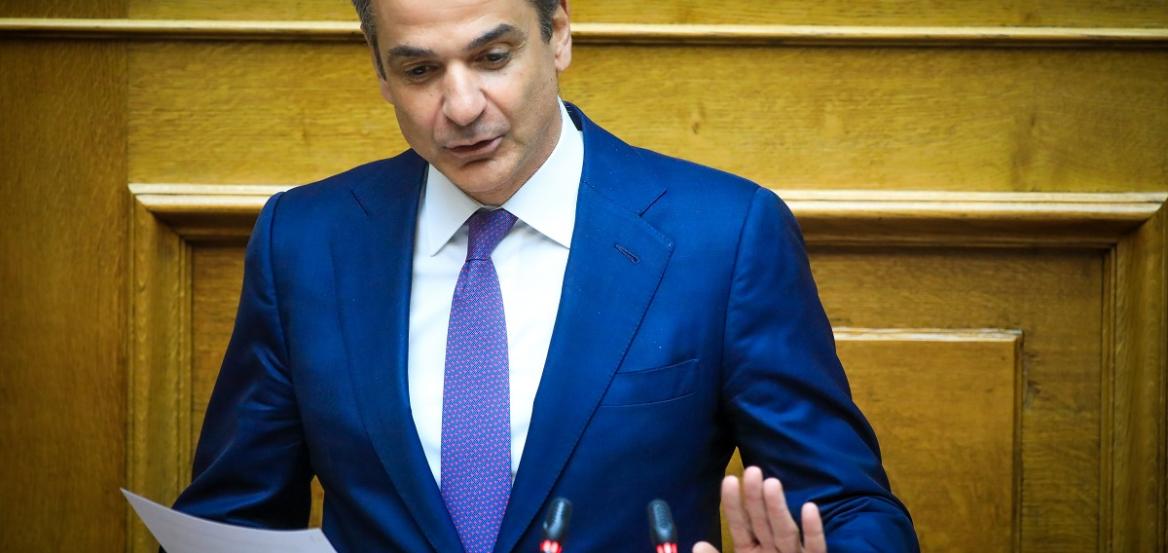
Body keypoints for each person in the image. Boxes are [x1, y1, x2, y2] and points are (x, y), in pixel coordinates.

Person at [171, 0, 919, 552]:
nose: (461, 106)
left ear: (558, 33)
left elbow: (852, 511)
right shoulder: (304, 241)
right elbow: (232, 521)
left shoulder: (723, 236)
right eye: (420, 70)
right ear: (379, 69)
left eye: (493, 57)